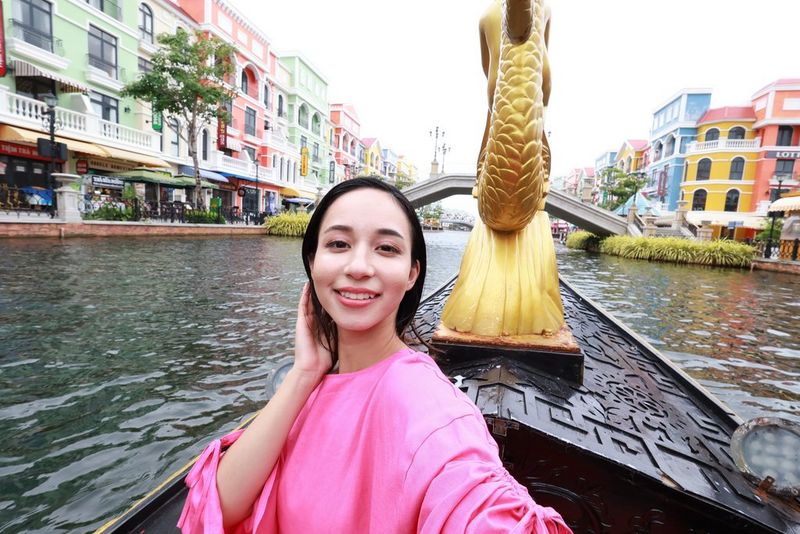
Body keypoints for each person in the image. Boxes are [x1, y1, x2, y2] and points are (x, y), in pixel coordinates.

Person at [178, 177, 571, 533]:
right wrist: (304, 372)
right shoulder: (312, 383)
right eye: (338, 244)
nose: (359, 266)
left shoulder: (426, 405)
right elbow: (218, 509)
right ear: (312, 262)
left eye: (386, 248)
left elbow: (474, 499)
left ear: (412, 273)